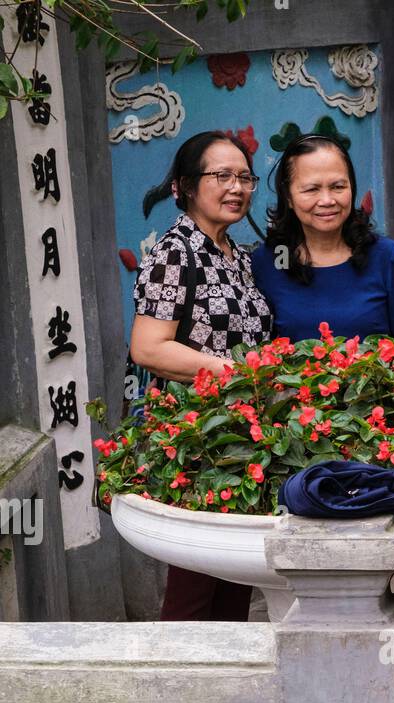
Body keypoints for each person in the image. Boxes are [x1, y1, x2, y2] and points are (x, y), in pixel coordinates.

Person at [130, 130, 274, 621]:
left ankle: (228, 692)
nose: (236, 187)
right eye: (221, 176)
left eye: (245, 177)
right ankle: (173, 689)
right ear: (187, 187)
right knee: (194, 584)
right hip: (196, 440)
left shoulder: (236, 256)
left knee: (235, 576)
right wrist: (234, 372)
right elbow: (148, 348)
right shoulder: (177, 253)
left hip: (238, 438)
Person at [251, 133, 394, 361]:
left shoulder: (382, 255)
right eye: (311, 189)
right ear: (288, 196)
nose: (327, 200)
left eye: (338, 186)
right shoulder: (268, 262)